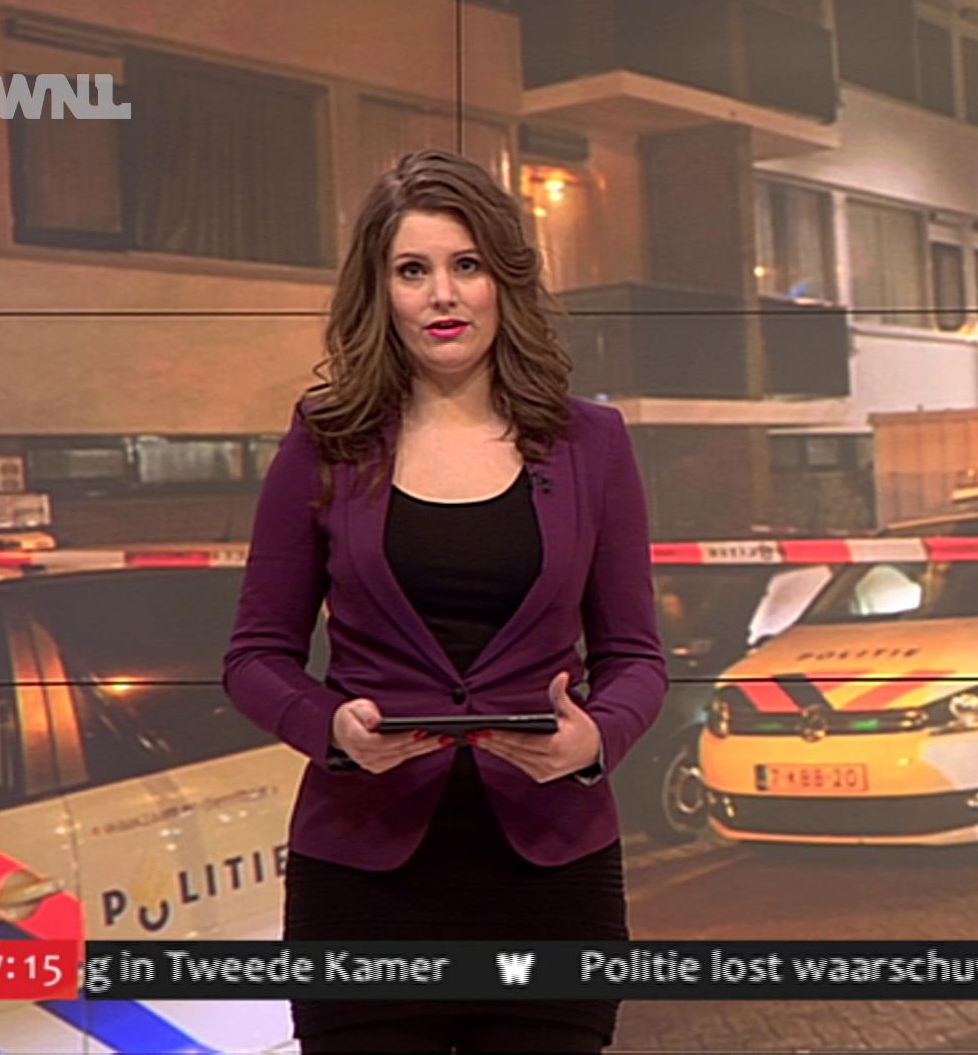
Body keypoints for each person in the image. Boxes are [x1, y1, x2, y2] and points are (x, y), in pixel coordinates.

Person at [222, 149, 666, 1053]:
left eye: (466, 265)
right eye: (412, 271)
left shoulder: (592, 442)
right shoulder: (326, 439)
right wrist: (331, 730)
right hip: (363, 876)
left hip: (553, 875)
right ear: (380, 291)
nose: (443, 296)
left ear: (505, 280)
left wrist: (595, 740)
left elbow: (636, 658)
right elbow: (255, 658)